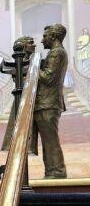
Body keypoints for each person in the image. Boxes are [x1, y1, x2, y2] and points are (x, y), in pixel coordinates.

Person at [34, 24, 68, 179]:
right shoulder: (57, 52)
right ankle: (51, 171)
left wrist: (33, 66)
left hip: (48, 102)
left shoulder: (56, 53)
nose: (42, 40)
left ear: (53, 36)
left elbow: (48, 77)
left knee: (50, 141)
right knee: (48, 141)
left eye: (45, 36)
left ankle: (56, 171)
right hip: (47, 102)